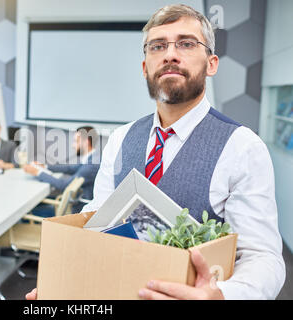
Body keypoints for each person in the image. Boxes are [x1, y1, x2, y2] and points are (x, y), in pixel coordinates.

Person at [27, 4, 285, 300]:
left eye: (186, 44)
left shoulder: (243, 147)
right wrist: (63, 279)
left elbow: (263, 258)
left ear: (211, 64)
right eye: (157, 46)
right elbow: (96, 219)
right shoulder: (120, 139)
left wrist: (221, 296)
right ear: (144, 67)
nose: (170, 54)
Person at [23, 126, 100, 215]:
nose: (73, 145)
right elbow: (70, 168)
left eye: (76, 141)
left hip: (77, 209)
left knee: (29, 211)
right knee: (39, 203)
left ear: (86, 142)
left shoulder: (91, 165)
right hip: (76, 202)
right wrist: (45, 166)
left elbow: (64, 185)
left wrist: (38, 172)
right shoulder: (93, 158)